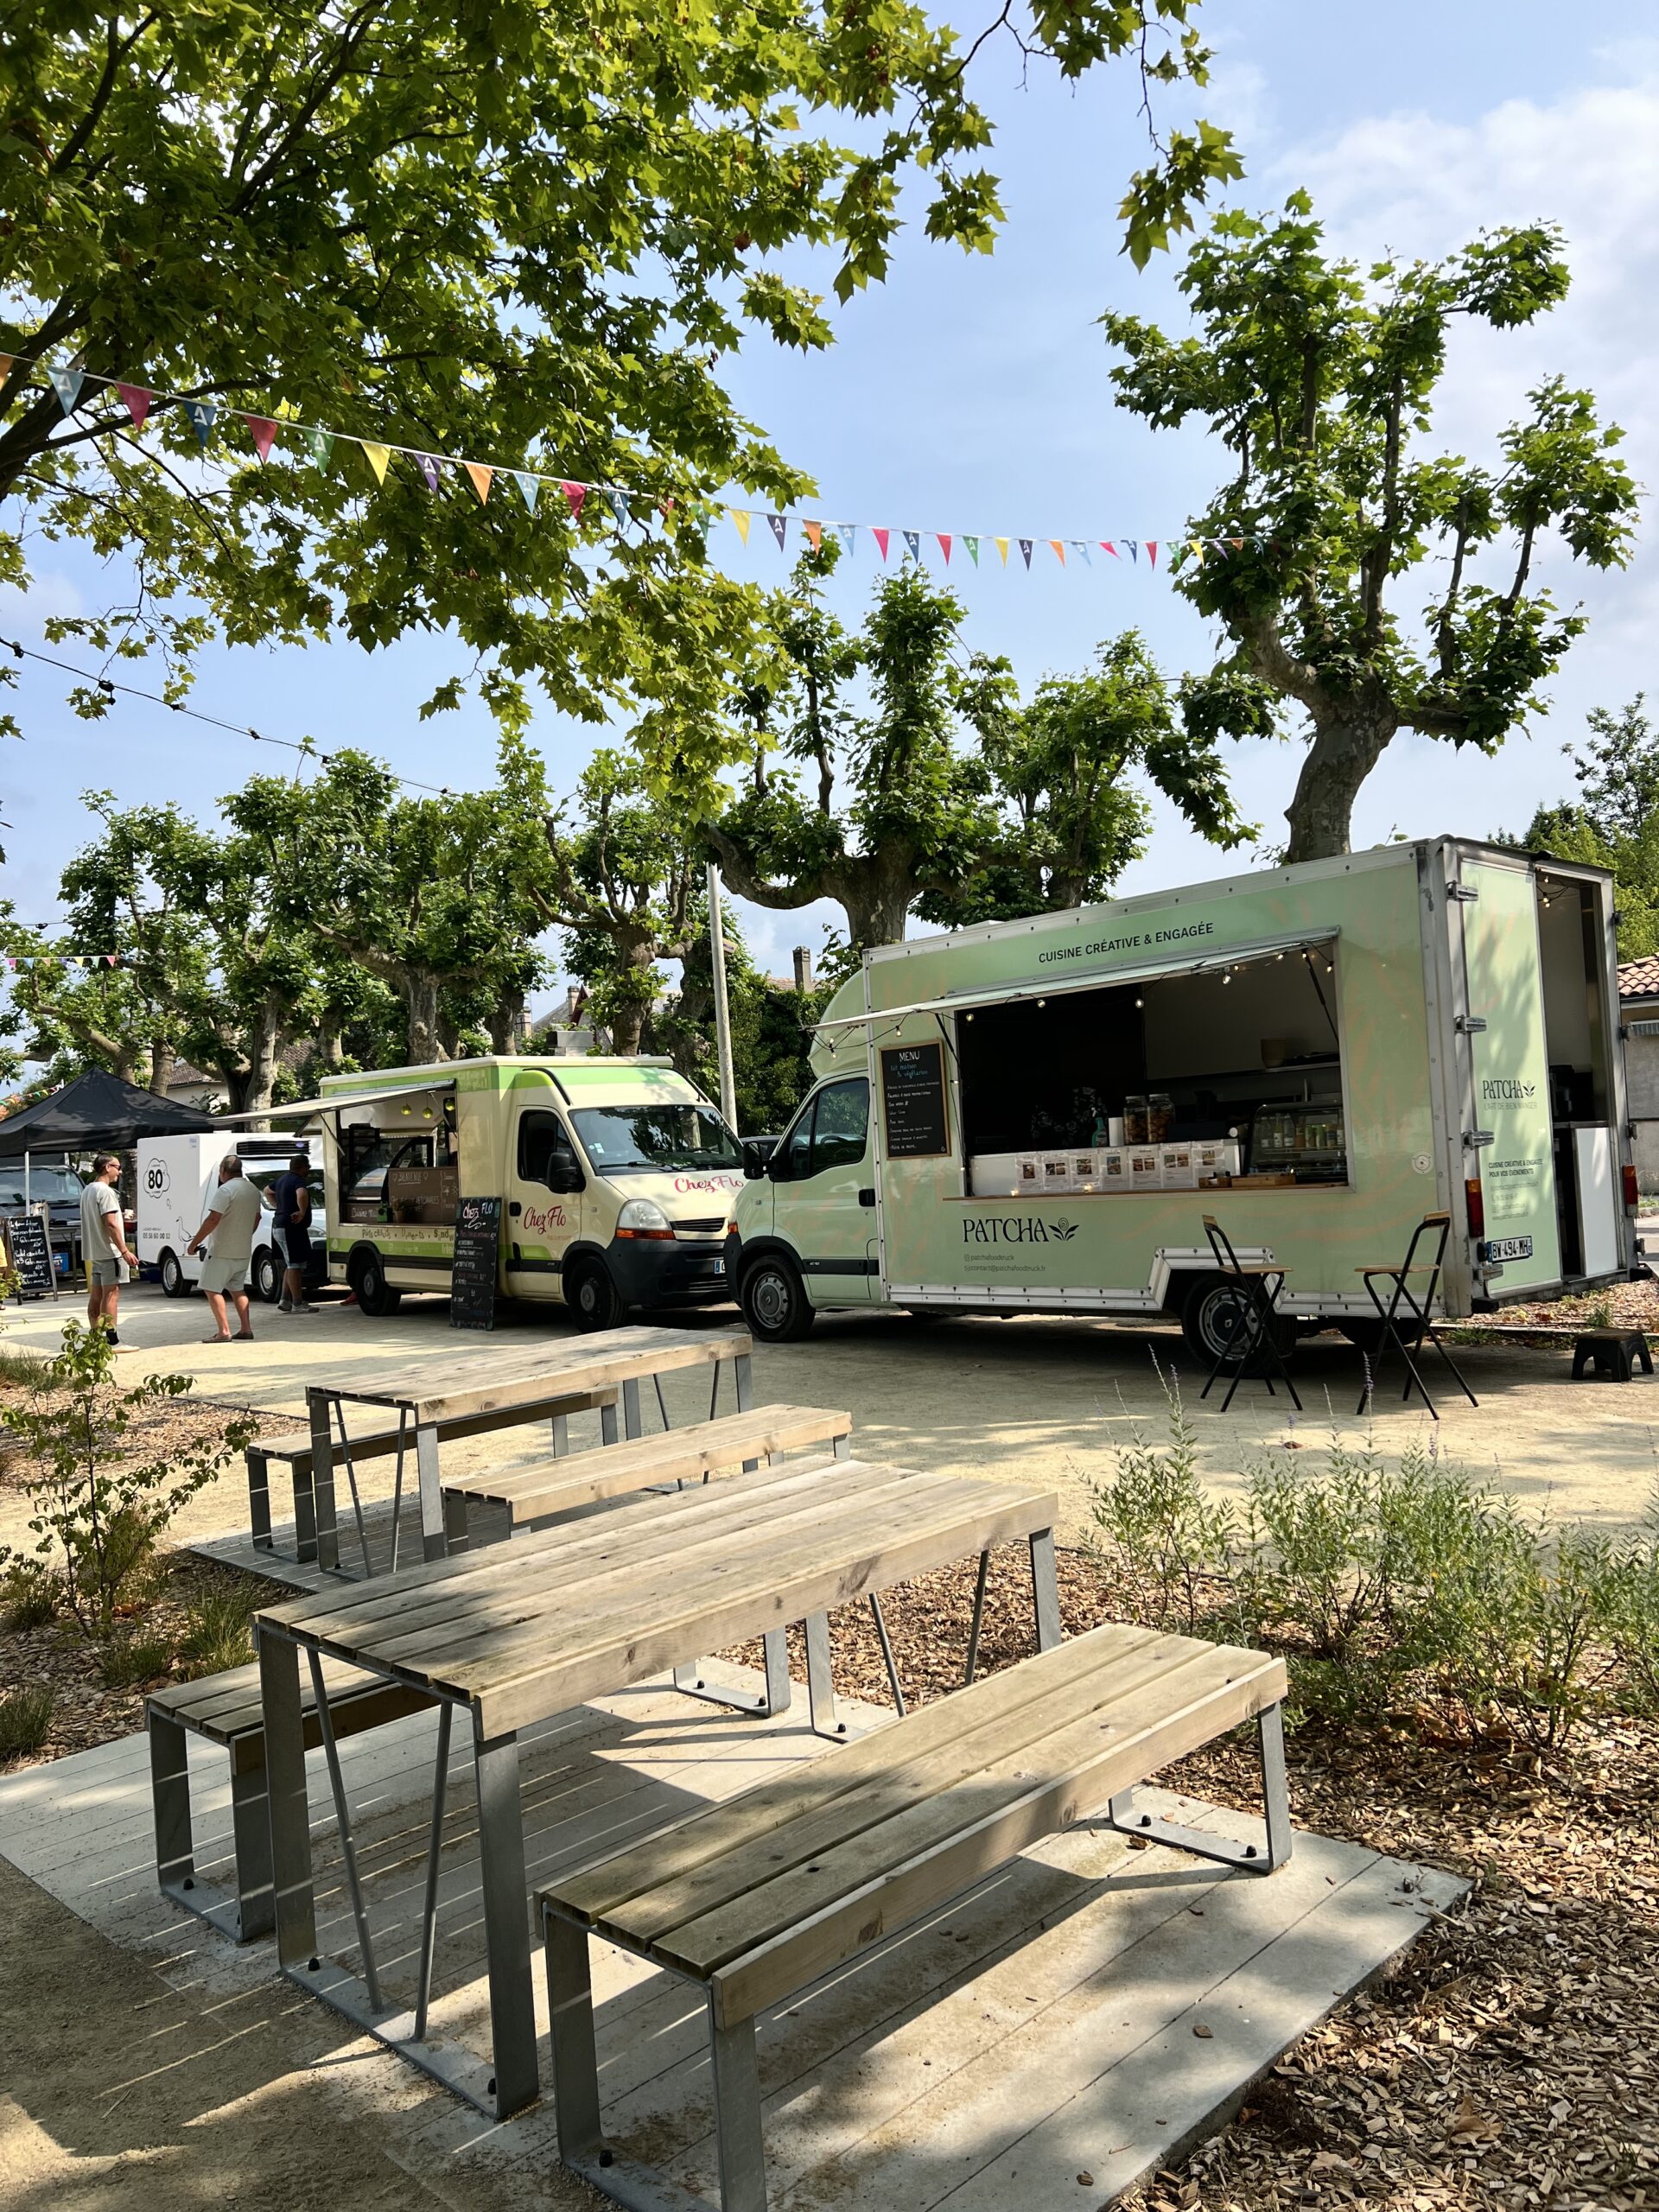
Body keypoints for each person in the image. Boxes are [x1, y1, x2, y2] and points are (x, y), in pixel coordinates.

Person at [186, 1154, 264, 1344]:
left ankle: (223, 1331)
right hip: (243, 1249)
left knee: (211, 1289)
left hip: (221, 1250)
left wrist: (194, 1243)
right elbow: (257, 1218)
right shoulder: (252, 1189)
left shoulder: (225, 1190)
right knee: (238, 1289)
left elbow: (213, 1219)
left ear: (222, 1171)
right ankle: (246, 1329)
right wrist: (244, 1235)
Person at [80, 1152, 137, 1344]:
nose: (120, 1172)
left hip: (94, 1252)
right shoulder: (106, 1192)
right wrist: (124, 1251)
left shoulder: (88, 1190)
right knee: (111, 1295)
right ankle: (112, 1340)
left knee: (96, 1296)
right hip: (109, 1251)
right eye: (118, 1168)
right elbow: (111, 1223)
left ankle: (95, 1336)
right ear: (107, 1167)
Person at [272, 1149, 318, 1313]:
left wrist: (279, 1207)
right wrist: (302, 1211)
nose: (309, 1170)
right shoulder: (298, 1180)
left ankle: (285, 1300)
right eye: (308, 1167)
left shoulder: (282, 1179)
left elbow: (267, 1191)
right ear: (302, 1167)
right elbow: (302, 1194)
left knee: (290, 1264)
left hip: (278, 1225)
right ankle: (297, 1303)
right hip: (291, 1227)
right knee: (294, 1265)